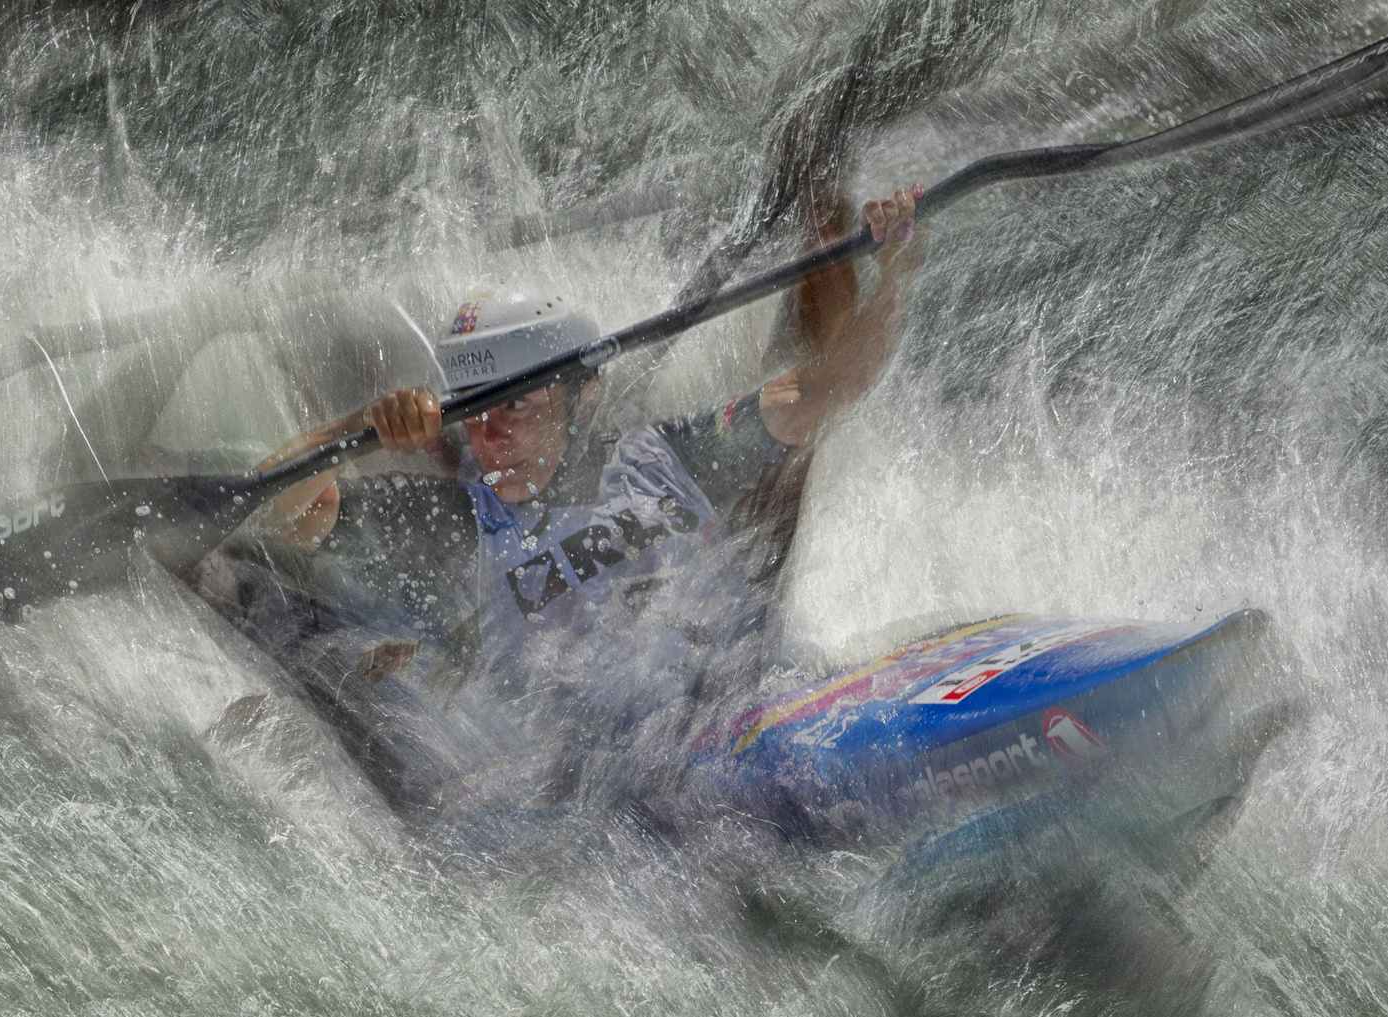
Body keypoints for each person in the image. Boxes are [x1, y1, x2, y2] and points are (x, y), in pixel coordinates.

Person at [187, 185, 926, 805]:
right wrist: (360, 430)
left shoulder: (674, 454)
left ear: (582, 397)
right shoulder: (450, 520)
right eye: (474, 410)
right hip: (637, 781)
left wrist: (897, 274)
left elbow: (824, 387)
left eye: (516, 403)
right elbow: (274, 509)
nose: (492, 432)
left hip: (774, 706)